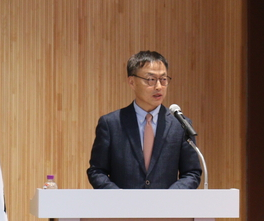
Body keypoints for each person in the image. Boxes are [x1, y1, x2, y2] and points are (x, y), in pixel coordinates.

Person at [87, 51, 202, 189]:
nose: (159, 86)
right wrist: (119, 198)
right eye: (151, 80)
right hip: (122, 208)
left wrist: (170, 197)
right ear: (132, 82)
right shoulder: (111, 124)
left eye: (163, 79)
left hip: (166, 208)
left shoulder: (180, 125)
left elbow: (192, 172)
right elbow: (97, 171)